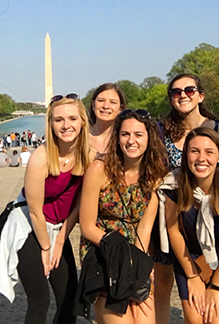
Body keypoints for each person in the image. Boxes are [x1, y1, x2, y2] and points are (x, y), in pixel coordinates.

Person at [0, 94, 91, 324]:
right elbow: (36, 210)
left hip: (59, 227)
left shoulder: (88, 155)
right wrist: (46, 247)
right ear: (50, 124)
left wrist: (60, 241)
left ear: (82, 122)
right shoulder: (41, 158)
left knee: (70, 296)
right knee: (40, 299)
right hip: (30, 226)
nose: (66, 125)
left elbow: (81, 203)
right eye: (59, 120)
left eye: (72, 118)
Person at [79, 109, 166, 323]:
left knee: (144, 317)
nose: (131, 140)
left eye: (138, 134)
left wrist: (139, 267)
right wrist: (119, 254)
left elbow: (144, 228)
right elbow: (87, 226)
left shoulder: (154, 175)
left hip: (136, 254)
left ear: (149, 138)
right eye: (125, 134)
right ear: (117, 138)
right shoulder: (99, 169)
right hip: (104, 252)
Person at [154, 73, 219, 324]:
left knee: (204, 296)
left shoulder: (218, 130)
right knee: (161, 283)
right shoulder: (161, 130)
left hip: (210, 222)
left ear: (200, 95)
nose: (183, 95)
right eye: (176, 91)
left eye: (189, 89)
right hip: (171, 216)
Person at [165, 127, 219, 324]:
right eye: (194, 151)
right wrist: (192, 276)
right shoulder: (174, 184)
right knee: (195, 319)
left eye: (209, 152)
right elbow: (173, 230)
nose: (201, 158)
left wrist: (216, 287)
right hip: (189, 257)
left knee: (216, 319)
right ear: (186, 154)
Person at [88, 83, 127, 157]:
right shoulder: (81, 136)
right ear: (93, 105)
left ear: (120, 109)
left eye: (113, 102)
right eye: (101, 100)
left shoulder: (125, 139)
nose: (106, 106)